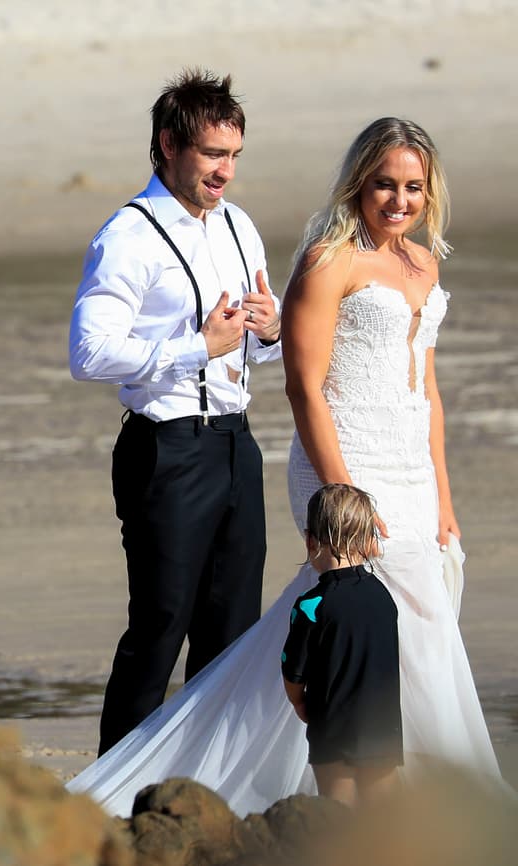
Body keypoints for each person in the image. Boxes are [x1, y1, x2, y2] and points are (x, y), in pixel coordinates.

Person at [66, 117, 504, 816]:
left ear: (430, 192)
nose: (398, 200)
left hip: (411, 465)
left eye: (413, 187)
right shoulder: (330, 257)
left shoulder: (425, 263)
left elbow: (428, 390)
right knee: (357, 618)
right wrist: (341, 489)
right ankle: (398, 799)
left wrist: (445, 496)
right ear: (359, 182)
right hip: (345, 455)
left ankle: (385, 792)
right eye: (384, 184)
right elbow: (304, 384)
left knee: (399, 616)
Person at [67, 69, 283, 756]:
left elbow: (256, 354)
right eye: (213, 154)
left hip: (234, 444)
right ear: (169, 144)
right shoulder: (128, 235)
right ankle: (111, 793)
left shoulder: (240, 227)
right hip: (165, 450)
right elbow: (89, 352)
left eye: (234, 156)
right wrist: (196, 346)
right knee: (161, 626)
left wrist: (271, 333)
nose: (225, 171)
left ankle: (206, 784)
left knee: (234, 631)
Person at [282, 483, 401, 806]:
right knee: (383, 816)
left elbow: (293, 669)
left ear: (310, 541)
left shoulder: (312, 605)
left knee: (337, 816)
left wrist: (298, 703)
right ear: (367, 541)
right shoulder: (383, 597)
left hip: (332, 727)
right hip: (383, 724)